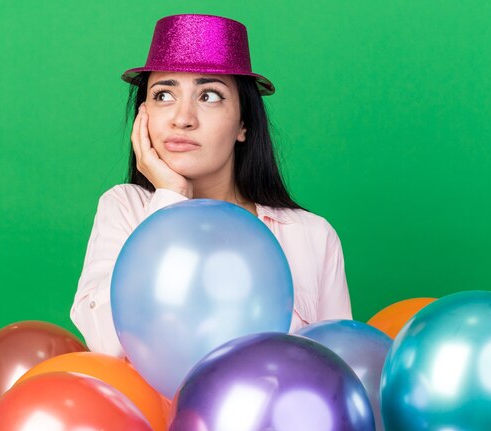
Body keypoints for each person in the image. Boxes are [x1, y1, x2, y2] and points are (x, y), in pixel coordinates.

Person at [70, 14, 352, 356]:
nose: (183, 118)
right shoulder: (126, 209)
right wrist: (171, 197)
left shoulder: (312, 236)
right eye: (163, 95)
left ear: (243, 124)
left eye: (209, 96)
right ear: (143, 114)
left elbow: (339, 371)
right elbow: (108, 344)